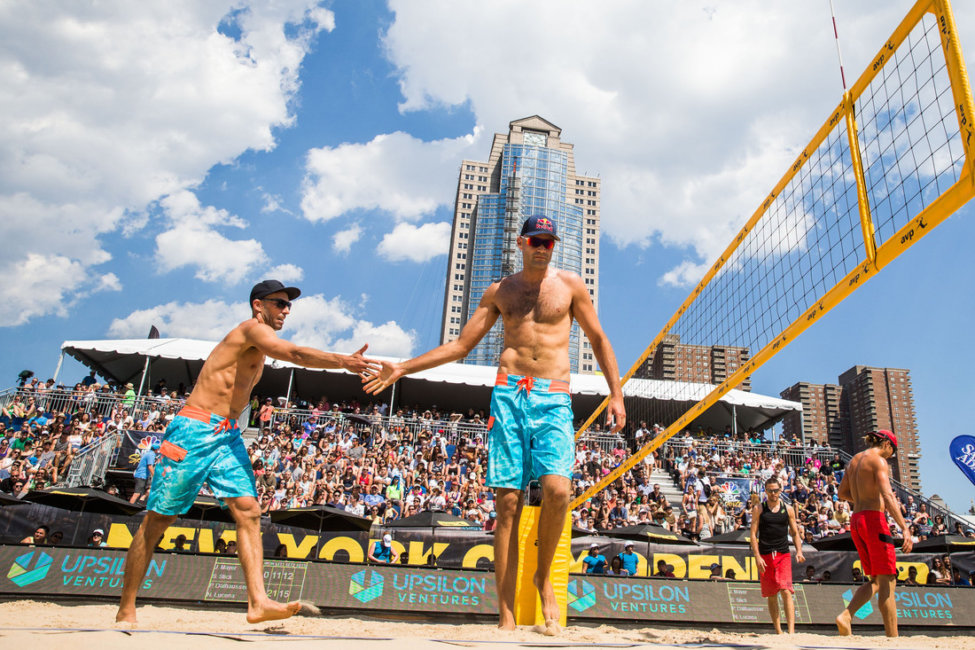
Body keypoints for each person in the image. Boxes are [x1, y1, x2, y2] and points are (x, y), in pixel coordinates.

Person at [364, 215, 625, 633]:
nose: (543, 247)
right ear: (521, 243)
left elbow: (598, 339)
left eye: (549, 242)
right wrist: (403, 367)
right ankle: (505, 614)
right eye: (536, 241)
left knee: (558, 490)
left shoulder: (571, 285)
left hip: (554, 396)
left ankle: (544, 579)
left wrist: (616, 393)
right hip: (509, 395)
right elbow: (461, 345)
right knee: (507, 504)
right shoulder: (500, 290)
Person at [115, 279, 379, 625]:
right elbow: (296, 354)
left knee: (249, 511)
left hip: (226, 433)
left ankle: (258, 602)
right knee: (158, 520)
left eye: (288, 305)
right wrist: (343, 361)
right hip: (194, 429)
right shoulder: (251, 330)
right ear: (259, 306)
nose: (286, 310)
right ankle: (126, 608)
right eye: (280, 303)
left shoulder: (259, 342)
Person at [835, 429, 913, 638]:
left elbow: (842, 493)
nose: (890, 457)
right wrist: (905, 528)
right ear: (887, 444)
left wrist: (863, 498)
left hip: (856, 520)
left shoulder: (854, 461)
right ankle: (892, 638)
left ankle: (846, 615)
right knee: (888, 581)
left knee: (877, 580)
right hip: (873, 520)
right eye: (892, 452)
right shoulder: (878, 461)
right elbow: (887, 494)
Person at [750, 476, 804, 634]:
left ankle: (791, 632)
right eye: (770, 491)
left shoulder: (787, 509)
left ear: (780, 490)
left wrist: (799, 551)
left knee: (786, 590)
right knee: (771, 594)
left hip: (783, 553)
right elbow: (753, 534)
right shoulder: (759, 509)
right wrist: (757, 556)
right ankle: (779, 631)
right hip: (765, 554)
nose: (773, 493)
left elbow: (794, 533)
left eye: (775, 490)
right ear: (766, 491)